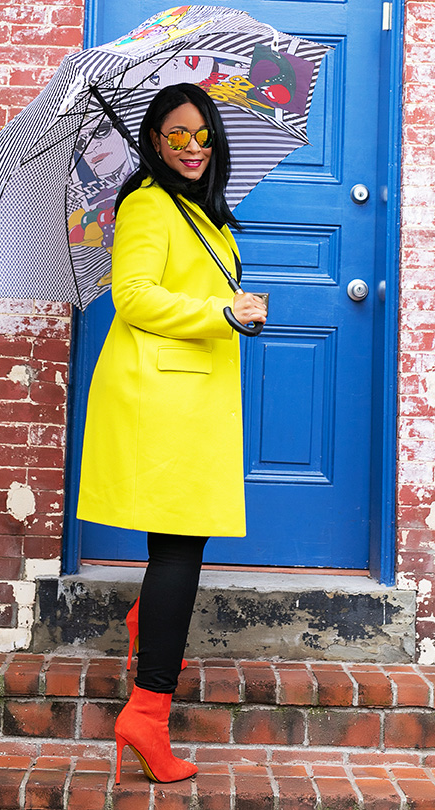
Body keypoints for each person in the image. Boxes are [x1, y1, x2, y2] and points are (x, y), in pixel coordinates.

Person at [76, 82, 267, 785]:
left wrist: (236, 308)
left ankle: (145, 642)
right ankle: (147, 714)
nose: (191, 148)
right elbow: (132, 296)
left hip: (189, 395)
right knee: (180, 551)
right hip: (161, 396)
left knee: (178, 550)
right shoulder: (148, 205)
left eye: (202, 135)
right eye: (175, 136)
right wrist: (222, 312)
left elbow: (193, 292)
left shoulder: (202, 214)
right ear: (155, 142)